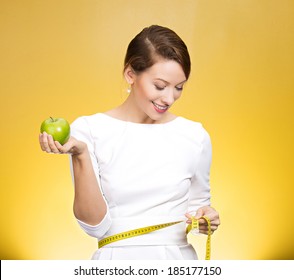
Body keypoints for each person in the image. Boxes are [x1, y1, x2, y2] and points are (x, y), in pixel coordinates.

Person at [39, 25, 220, 260]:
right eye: (160, 86)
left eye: (179, 88)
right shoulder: (89, 131)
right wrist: (80, 154)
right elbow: (94, 226)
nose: (169, 98)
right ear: (130, 74)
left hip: (178, 264)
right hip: (115, 265)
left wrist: (206, 218)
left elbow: (197, 209)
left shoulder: (195, 135)